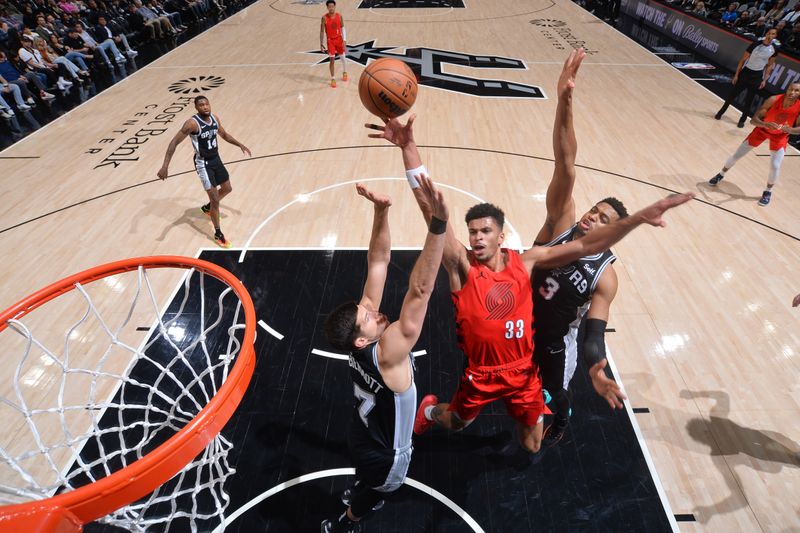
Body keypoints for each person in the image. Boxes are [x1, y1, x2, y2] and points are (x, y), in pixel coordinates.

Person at [367, 109, 694, 455]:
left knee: (532, 444)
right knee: (460, 422)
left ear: (502, 237)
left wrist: (641, 218)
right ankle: (431, 411)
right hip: (482, 370)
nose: (478, 239)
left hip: (528, 367)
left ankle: (558, 408)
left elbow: (588, 247)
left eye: (486, 232)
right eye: (473, 232)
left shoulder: (528, 263)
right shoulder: (462, 266)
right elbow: (430, 206)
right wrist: (408, 150)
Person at [320, 177, 449, 533]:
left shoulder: (357, 344)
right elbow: (421, 290)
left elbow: (378, 261)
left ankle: (363, 487)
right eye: (370, 318)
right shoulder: (388, 353)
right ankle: (349, 521)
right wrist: (438, 226)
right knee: (376, 493)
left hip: (362, 431)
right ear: (362, 341)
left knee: (364, 475)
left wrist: (381, 210)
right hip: (387, 454)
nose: (376, 313)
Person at [529, 49, 628, 445]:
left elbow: (592, 335)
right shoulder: (560, 225)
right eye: (594, 210)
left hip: (555, 346)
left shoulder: (606, 276)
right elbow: (565, 163)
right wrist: (564, 103)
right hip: (517, 325)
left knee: (542, 419)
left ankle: (563, 412)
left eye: (604, 220)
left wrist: (596, 370)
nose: (591, 217)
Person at [157, 95, 251, 248]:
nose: (205, 107)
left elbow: (224, 135)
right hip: (203, 164)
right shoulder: (192, 124)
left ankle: (207, 208)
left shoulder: (215, 118)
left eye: (206, 104)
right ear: (196, 107)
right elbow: (174, 142)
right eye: (201, 105)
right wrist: (165, 166)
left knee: (227, 188)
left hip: (216, 159)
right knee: (215, 199)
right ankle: (218, 233)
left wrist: (239, 144)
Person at [709, 81, 800, 206]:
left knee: (775, 165)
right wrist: (764, 124)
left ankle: (768, 192)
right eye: (791, 89)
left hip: (780, 136)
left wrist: (789, 130)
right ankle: (721, 174)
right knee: (737, 155)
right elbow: (753, 120)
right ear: (787, 89)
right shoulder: (773, 100)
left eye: (797, 91)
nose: (793, 93)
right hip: (761, 130)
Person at [715, 29, 779, 127]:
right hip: (746, 73)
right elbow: (742, 60)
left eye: (773, 34)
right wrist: (736, 75)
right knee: (732, 95)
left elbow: (769, 65)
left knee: (749, 99)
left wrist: (765, 80)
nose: (770, 35)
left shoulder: (774, 49)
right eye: (769, 33)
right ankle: (720, 112)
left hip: (757, 76)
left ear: (775, 36)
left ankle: (742, 120)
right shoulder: (755, 45)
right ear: (766, 34)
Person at [320, 0, 347, 88]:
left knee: (343, 58)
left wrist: (345, 39)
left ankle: (345, 72)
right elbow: (322, 31)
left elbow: (343, 27)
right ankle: (333, 78)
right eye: (329, 6)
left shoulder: (339, 16)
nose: (331, 8)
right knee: (332, 60)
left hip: (339, 39)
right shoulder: (324, 18)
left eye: (332, 6)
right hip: (330, 41)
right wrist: (321, 43)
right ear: (327, 7)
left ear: (335, 7)